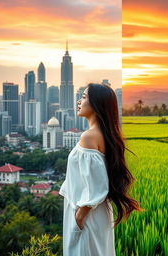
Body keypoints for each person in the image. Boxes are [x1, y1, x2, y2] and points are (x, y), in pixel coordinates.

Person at [59, 83, 142, 256]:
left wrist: (79, 219)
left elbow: (96, 185)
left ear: (97, 104)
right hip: (96, 214)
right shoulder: (105, 134)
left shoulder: (89, 137)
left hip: (86, 215)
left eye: (83, 97)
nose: (78, 101)